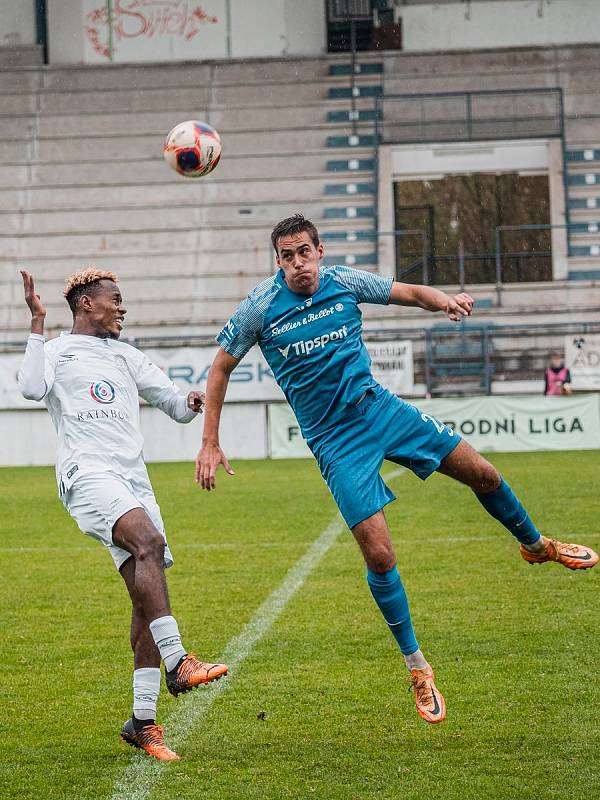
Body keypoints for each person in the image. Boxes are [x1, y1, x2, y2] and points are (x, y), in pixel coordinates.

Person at [195, 214, 598, 725]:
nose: (297, 263)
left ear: (320, 250)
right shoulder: (259, 307)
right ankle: (418, 667)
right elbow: (220, 367)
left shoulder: (344, 281)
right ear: (277, 261)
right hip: (335, 441)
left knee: (486, 475)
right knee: (381, 555)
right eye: (286, 256)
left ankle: (538, 546)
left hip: (380, 409)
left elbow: (405, 291)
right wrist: (209, 441)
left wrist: (445, 300)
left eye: (303, 251)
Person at [18, 269, 228, 761]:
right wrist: (36, 321)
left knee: (144, 596)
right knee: (148, 544)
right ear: (87, 305)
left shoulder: (126, 355)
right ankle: (178, 661)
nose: (122, 308)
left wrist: (191, 401)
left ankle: (142, 721)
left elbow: (172, 404)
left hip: (133, 480)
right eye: (115, 300)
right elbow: (30, 388)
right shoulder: (54, 352)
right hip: (86, 474)